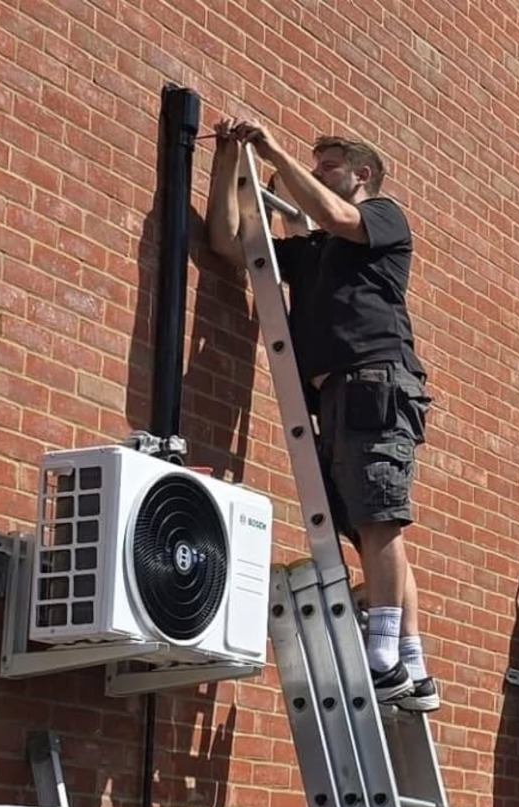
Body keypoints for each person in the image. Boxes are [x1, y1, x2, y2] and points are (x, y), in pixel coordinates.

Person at [206, 113, 438, 712]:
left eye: (327, 166)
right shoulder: (312, 254)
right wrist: (230, 158)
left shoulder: (384, 217)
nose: (314, 174)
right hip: (338, 393)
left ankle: (384, 657)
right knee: (367, 528)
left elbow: (338, 215)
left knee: (380, 519)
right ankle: (411, 664)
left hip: (373, 382)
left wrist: (272, 149)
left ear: (363, 175)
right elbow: (230, 244)